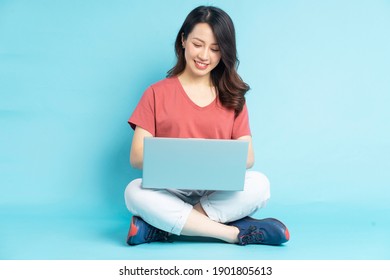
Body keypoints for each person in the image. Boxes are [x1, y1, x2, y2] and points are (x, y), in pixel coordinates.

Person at [124, 5, 290, 246]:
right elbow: (137, 157)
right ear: (183, 40)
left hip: (216, 191)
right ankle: (233, 233)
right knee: (133, 191)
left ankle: (161, 227)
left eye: (215, 49)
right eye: (198, 44)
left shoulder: (232, 96)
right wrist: (186, 151)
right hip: (170, 191)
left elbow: (248, 157)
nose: (204, 56)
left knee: (260, 185)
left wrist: (209, 154)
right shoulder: (156, 93)